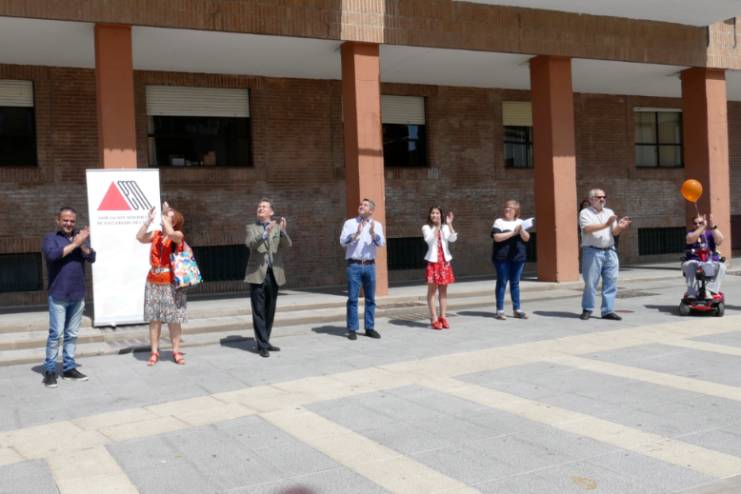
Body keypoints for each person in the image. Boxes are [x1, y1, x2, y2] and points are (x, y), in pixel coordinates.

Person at [41, 207, 96, 387]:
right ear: (58, 220)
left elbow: (92, 257)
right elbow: (53, 255)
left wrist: (82, 244)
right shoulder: (51, 238)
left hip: (77, 294)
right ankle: (50, 371)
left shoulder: (80, 237)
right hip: (58, 294)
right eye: (65, 220)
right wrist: (75, 243)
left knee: (71, 335)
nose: (69, 223)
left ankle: (69, 369)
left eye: (72, 221)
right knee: (55, 335)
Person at [136, 202, 188, 365]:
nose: (163, 218)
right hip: (153, 281)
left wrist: (166, 214)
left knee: (174, 319)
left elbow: (171, 233)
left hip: (171, 282)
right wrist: (147, 221)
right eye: (164, 216)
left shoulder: (177, 235)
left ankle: (176, 351)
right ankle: (154, 352)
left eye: (168, 217)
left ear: (175, 221)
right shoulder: (156, 234)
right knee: (154, 319)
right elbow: (139, 237)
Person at [245, 198, 292, 358]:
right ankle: (262, 345)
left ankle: (265, 340)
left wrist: (283, 232)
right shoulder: (251, 227)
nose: (260, 208)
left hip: (274, 273)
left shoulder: (278, 228)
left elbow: (287, 245)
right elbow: (251, 244)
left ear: (271, 212)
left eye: (264, 206)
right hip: (257, 273)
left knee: (269, 310)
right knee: (258, 310)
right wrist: (265, 234)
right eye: (259, 206)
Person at [579, 189, 632, 320]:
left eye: (604, 197)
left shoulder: (609, 212)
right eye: (599, 197)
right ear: (591, 199)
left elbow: (614, 232)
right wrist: (606, 224)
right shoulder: (585, 213)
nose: (602, 199)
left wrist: (620, 227)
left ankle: (608, 310)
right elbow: (587, 229)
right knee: (591, 283)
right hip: (592, 251)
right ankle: (587, 309)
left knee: (611, 281)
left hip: (610, 251)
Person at [340, 198, 385, 340]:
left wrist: (373, 234)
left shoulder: (376, 225)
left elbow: (381, 243)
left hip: (370, 265)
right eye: (360, 204)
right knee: (353, 298)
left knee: (370, 298)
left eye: (365, 205)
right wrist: (355, 235)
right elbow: (342, 242)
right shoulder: (350, 223)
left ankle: (369, 328)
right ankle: (352, 329)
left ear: (371, 210)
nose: (361, 206)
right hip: (354, 265)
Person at [491, 200, 530, 320]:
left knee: (515, 283)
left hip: (518, 258)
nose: (507, 209)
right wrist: (513, 233)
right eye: (506, 207)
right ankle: (500, 310)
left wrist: (521, 230)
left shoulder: (521, 222)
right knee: (502, 282)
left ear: (516, 211)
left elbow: (527, 238)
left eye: (510, 208)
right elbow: (496, 237)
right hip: (502, 258)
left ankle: (517, 310)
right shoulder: (499, 222)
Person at [422, 207, 457, 329]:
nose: (434, 215)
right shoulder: (426, 227)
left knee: (443, 291)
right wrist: (436, 227)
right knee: (432, 291)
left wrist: (450, 224)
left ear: (441, 215)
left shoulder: (445, 227)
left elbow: (453, 239)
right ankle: (434, 318)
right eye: (432, 213)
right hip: (433, 262)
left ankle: (443, 317)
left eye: (437, 213)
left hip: (444, 262)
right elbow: (429, 240)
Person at [682, 213, 726, 299]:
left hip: (710, 261)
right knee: (689, 265)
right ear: (692, 224)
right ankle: (692, 293)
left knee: (722, 266)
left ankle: (709, 289)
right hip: (694, 261)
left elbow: (720, 240)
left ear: (704, 222)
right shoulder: (690, 233)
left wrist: (712, 226)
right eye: (695, 223)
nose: (698, 225)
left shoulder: (710, 233)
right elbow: (690, 240)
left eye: (700, 223)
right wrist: (702, 227)